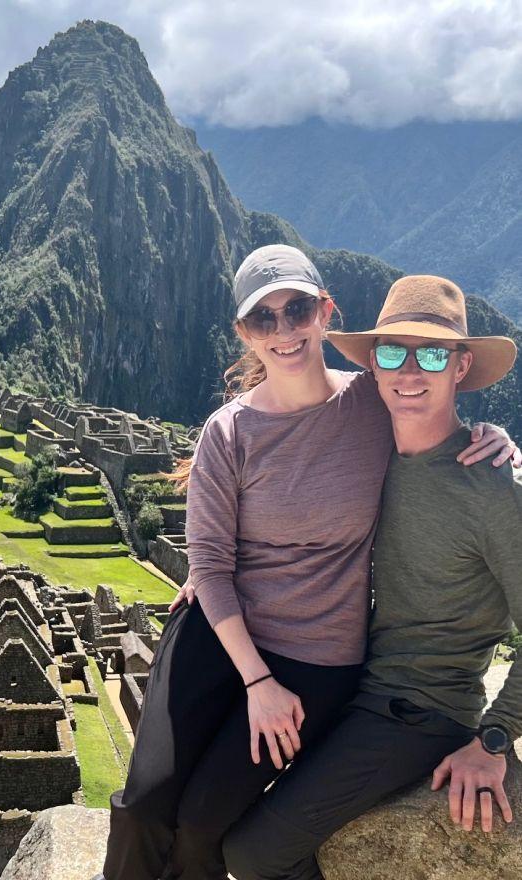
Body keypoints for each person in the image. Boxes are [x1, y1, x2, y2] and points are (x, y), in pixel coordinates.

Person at [98, 248, 518, 880]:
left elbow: (453, 445)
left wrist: (495, 739)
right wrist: (228, 616)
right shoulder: (260, 428)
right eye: (263, 319)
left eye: (297, 309)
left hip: (348, 673)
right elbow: (212, 559)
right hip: (265, 650)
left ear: (325, 313)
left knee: (223, 833)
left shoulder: (412, 430)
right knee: (149, 805)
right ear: (244, 332)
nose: (409, 373)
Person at [223, 275, 520, 879]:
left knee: (252, 853)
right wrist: (211, 575)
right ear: (374, 368)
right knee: (209, 803)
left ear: (460, 367)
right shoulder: (374, 447)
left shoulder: (492, 487)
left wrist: (495, 741)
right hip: (352, 686)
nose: (410, 372)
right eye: (393, 353)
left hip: (418, 712)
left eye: (432, 354)